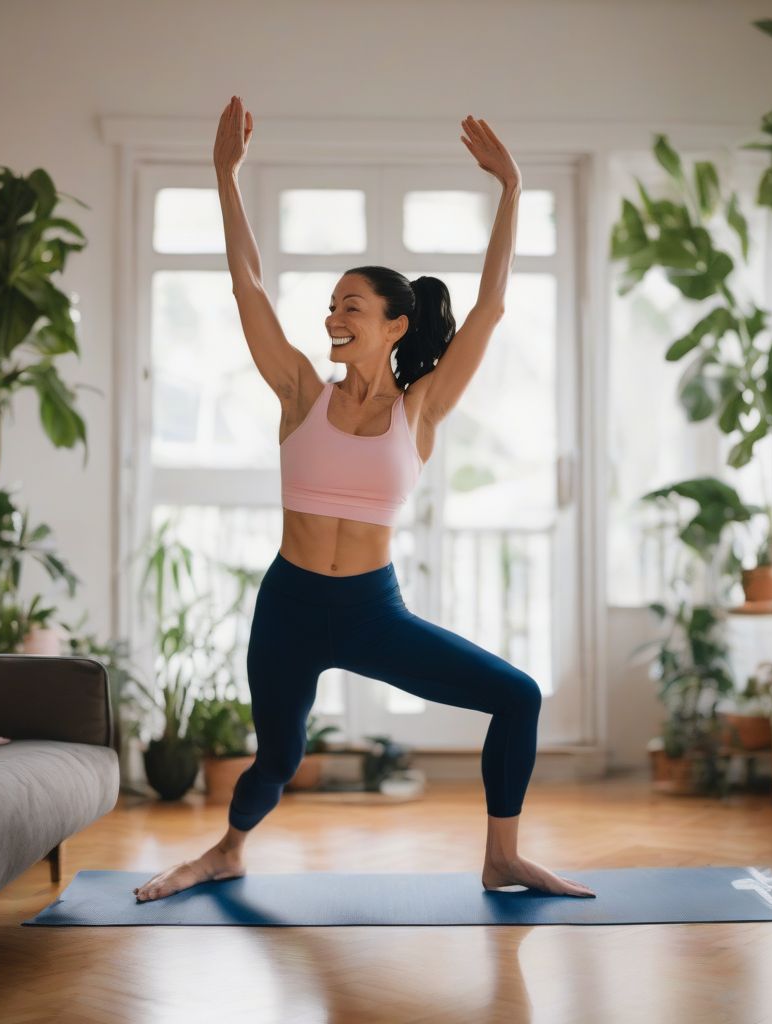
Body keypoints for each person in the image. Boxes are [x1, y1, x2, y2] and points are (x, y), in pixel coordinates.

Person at [135, 97, 595, 902]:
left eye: (352, 305)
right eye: (332, 304)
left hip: (372, 614)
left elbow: (489, 309)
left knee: (515, 697)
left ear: (394, 325)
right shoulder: (299, 392)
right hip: (289, 604)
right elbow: (246, 284)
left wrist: (513, 190)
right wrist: (223, 175)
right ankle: (226, 850)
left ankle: (502, 856)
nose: (333, 315)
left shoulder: (421, 409)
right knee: (278, 757)